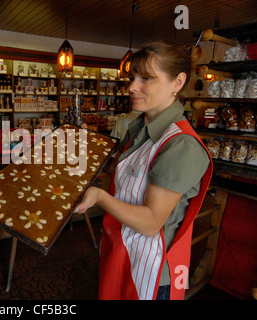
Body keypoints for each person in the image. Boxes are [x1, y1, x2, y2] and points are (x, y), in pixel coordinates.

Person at [74, 40, 213, 300]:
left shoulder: (180, 144)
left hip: (151, 270)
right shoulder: (137, 128)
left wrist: (100, 197)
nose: (132, 87)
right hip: (124, 250)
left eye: (146, 78)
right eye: (132, 77)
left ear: (178, 82)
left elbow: (150, 223)